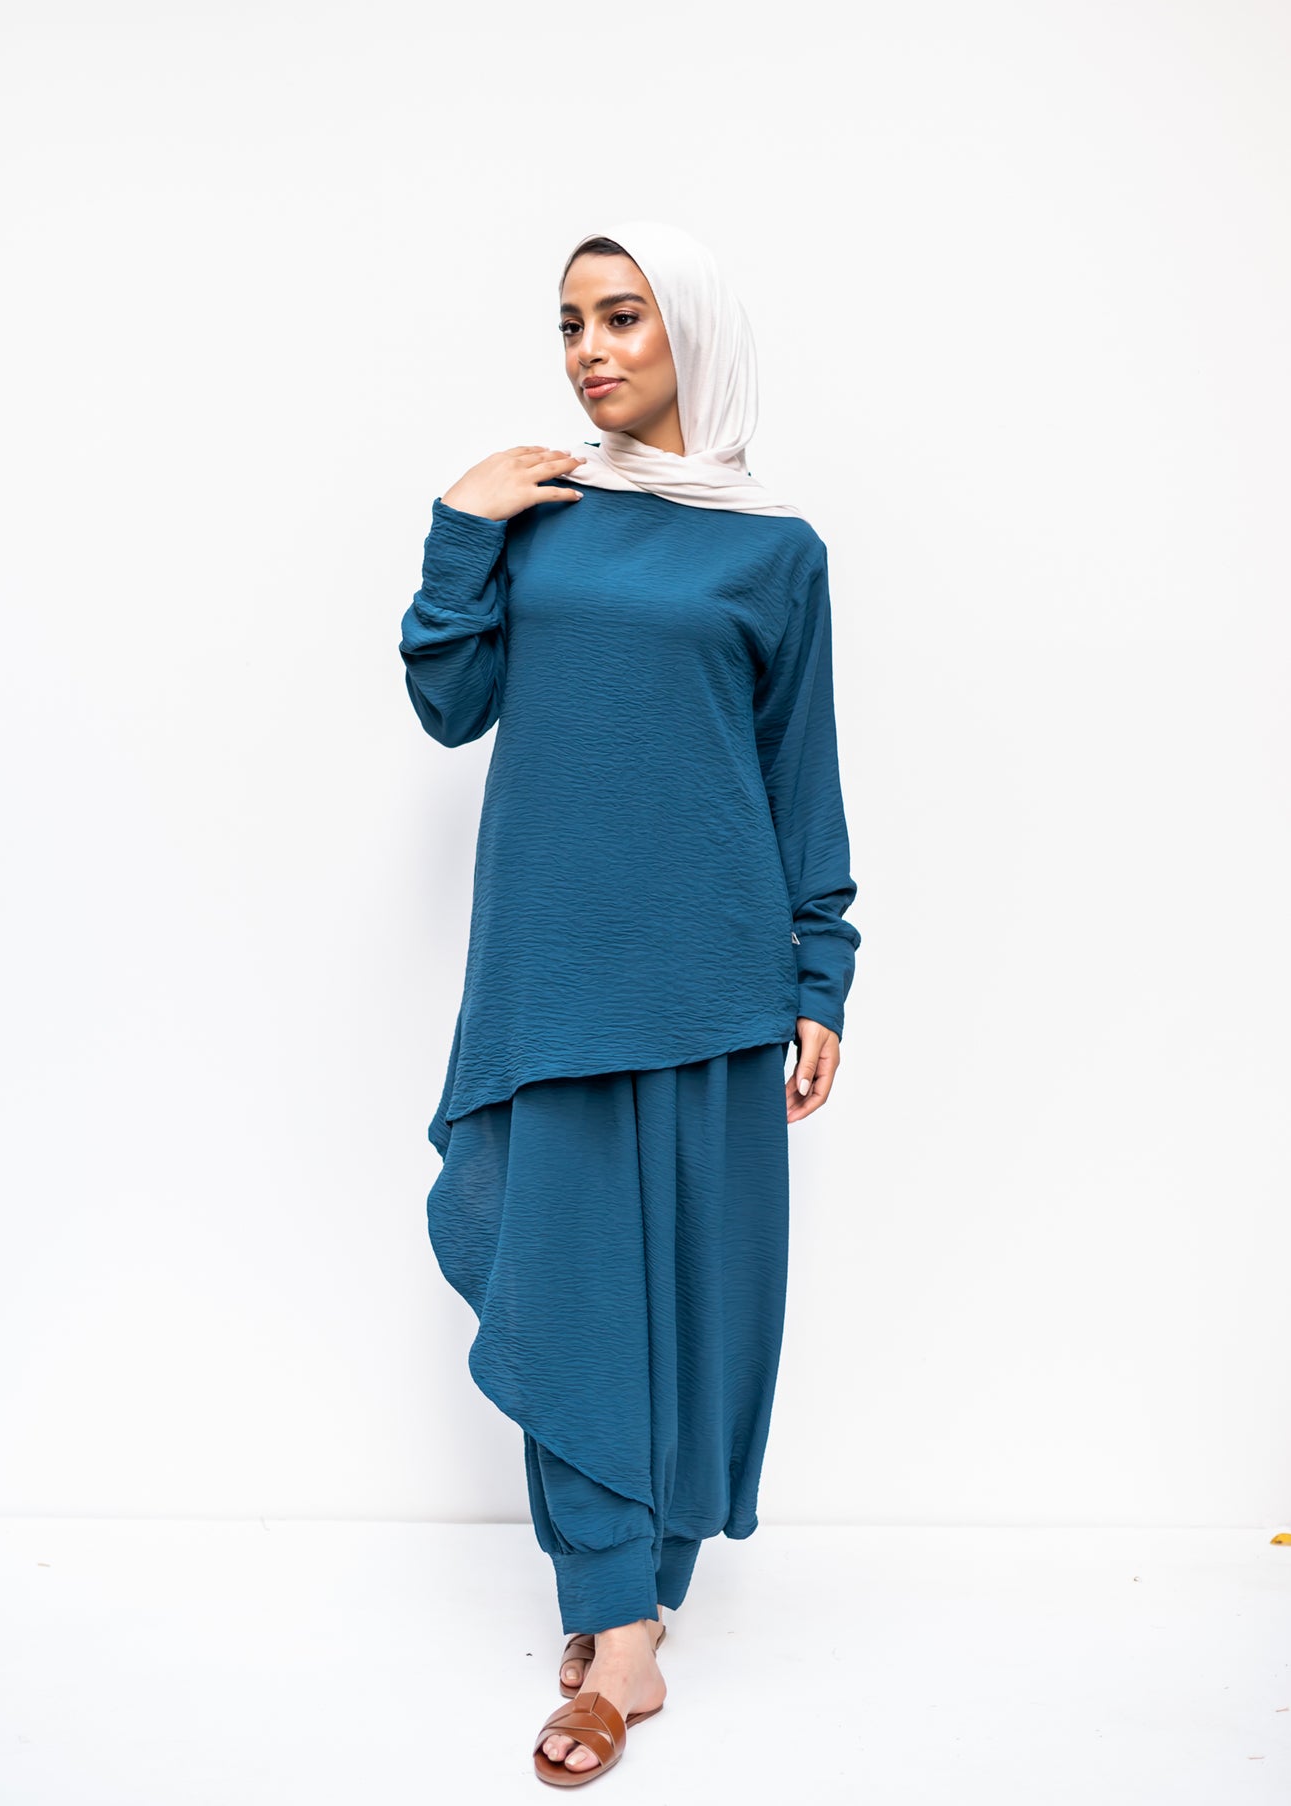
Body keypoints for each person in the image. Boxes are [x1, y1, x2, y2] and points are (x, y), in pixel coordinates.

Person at [398, 219, 862, 1787]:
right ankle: (615, 1620)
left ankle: (630, 1611)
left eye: (621, 319)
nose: (589, 351)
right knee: (560, 1284)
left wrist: (821, 967)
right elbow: (448, 702)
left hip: (714, 971)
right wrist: (458, 529)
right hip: (553, 973)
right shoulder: (537, 518)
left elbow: (797, 771)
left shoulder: (774, 551)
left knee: (695, 1298)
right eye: (569, 324)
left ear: (693, 336)